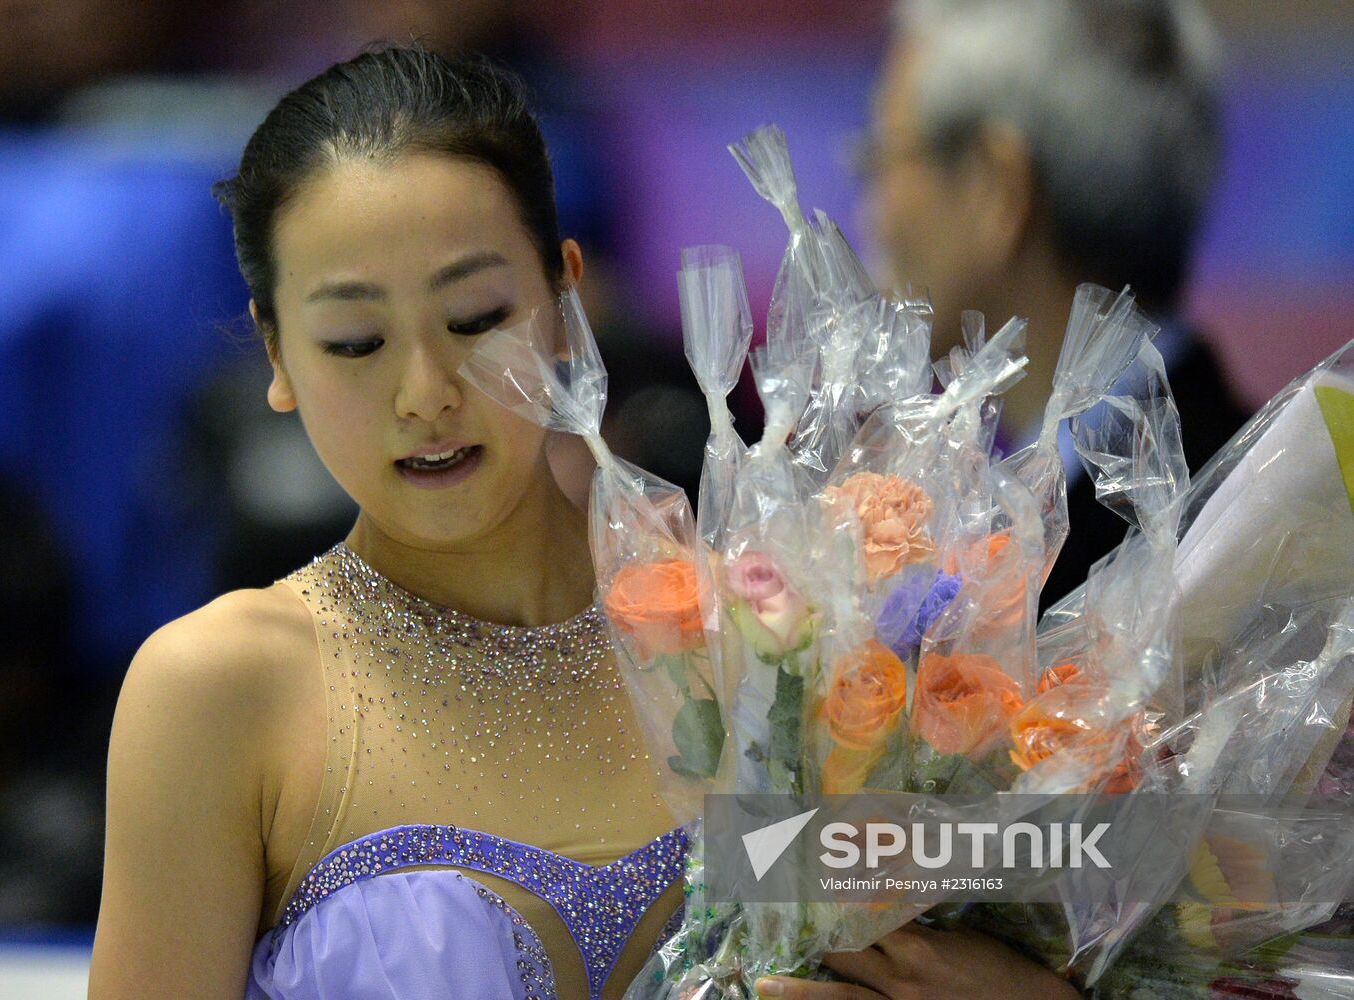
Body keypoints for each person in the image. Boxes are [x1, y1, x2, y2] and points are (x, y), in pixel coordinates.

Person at [90, 44, 1076, 1000]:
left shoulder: (781, 640)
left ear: (565, 299)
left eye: (475, 317)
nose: (425, 392)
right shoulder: (219, 694)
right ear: (274, 350)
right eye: (354, 341)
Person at [863, 0, 1251, 605]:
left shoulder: (1189, 567)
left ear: (995, 189)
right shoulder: (1253, 480)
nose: (874, 219)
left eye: (880, 163)